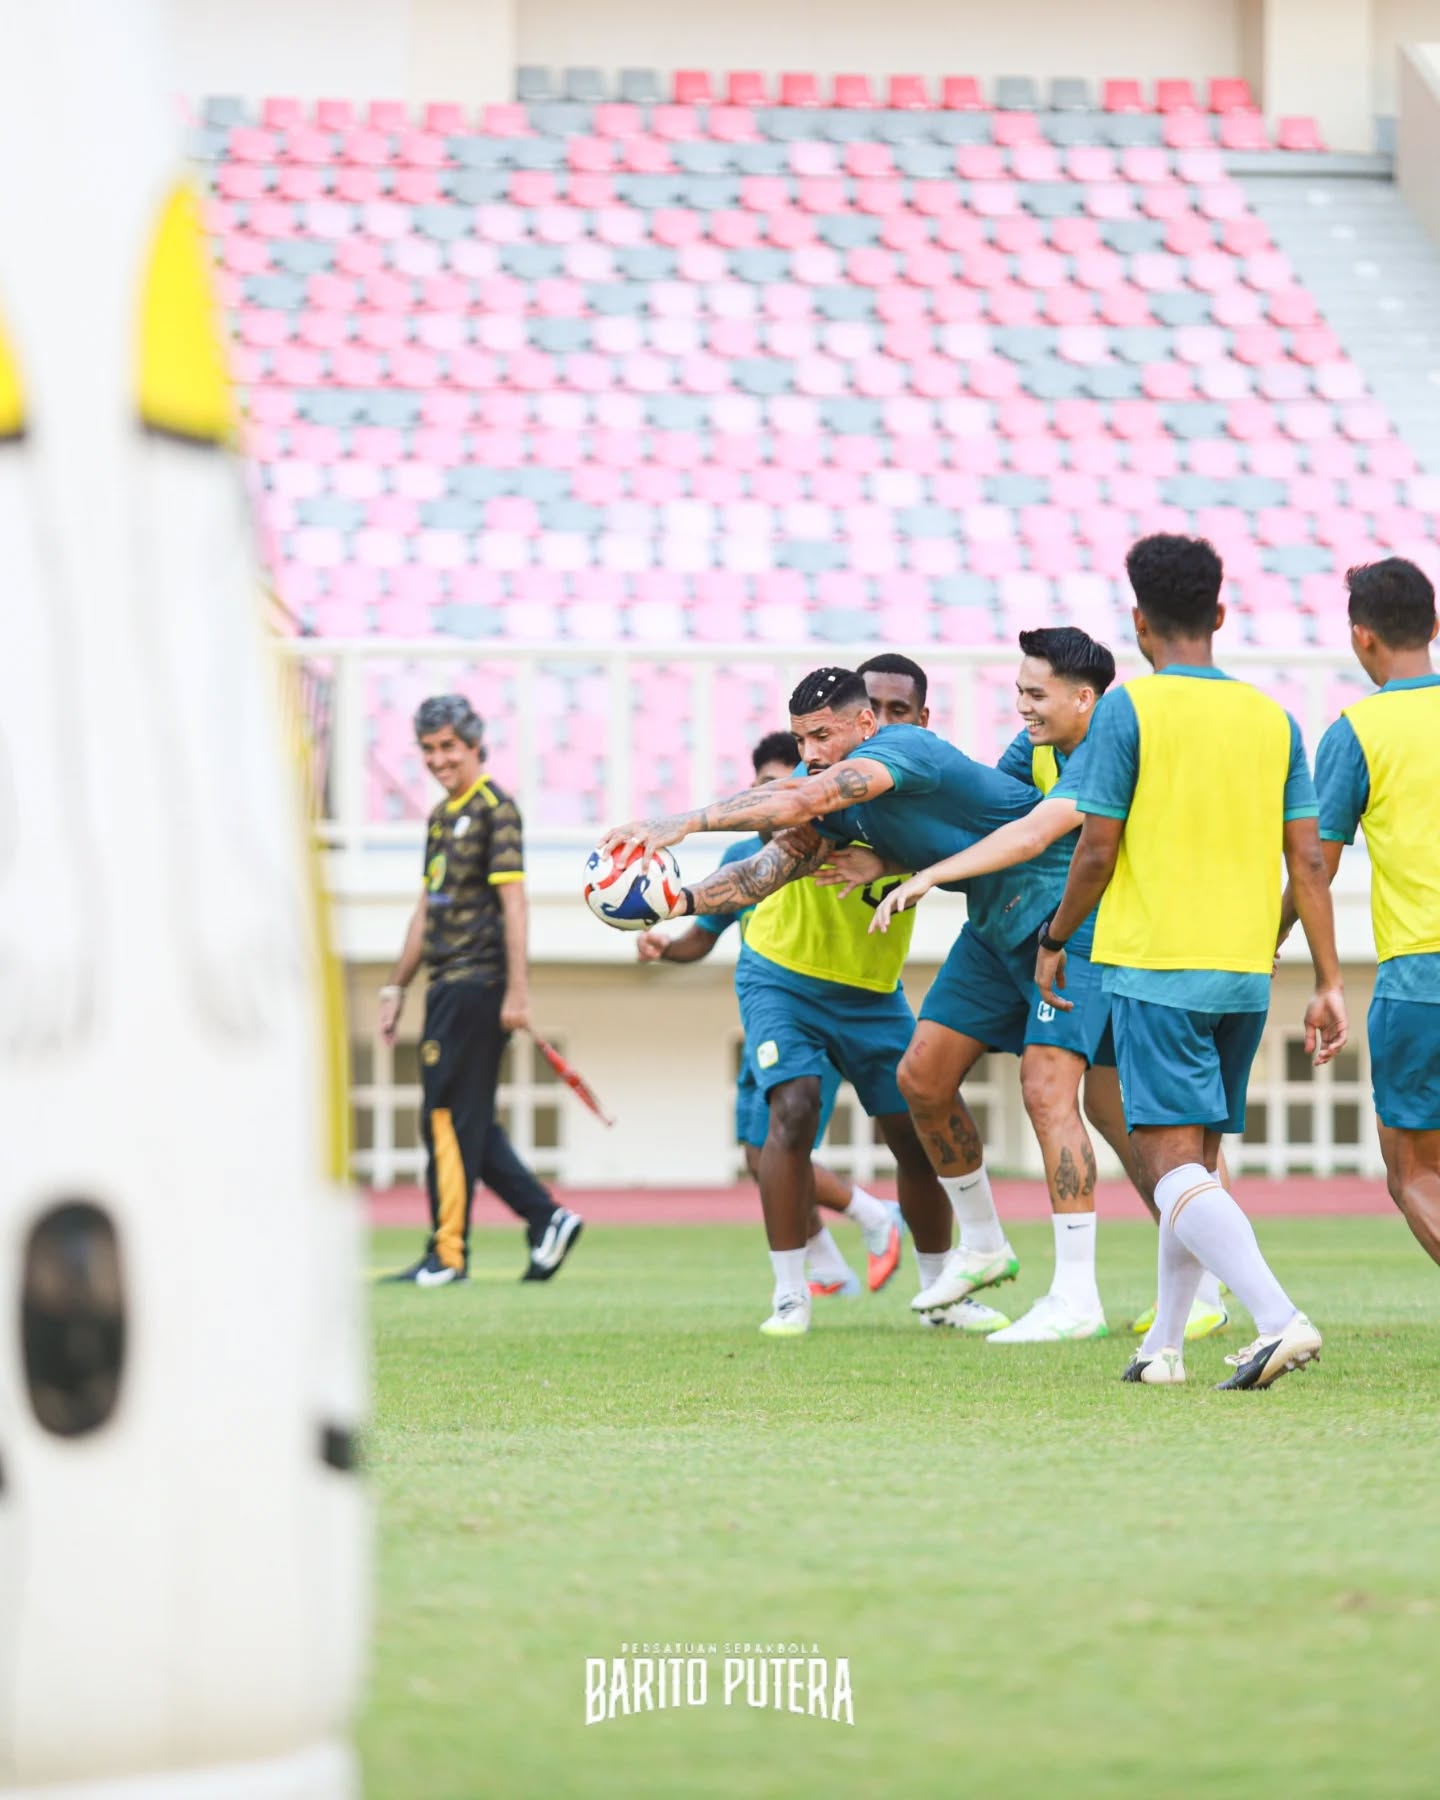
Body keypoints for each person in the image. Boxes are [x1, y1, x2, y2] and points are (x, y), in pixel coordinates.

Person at [602, 659, 1075, 1333]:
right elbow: (762, 871)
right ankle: (797, 1290)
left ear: (869, 724)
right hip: (787, 979)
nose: (812, 755)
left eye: (822, 736)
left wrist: (680, 822)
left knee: (956, 1123)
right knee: (793, 1111)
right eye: (802, 742)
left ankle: (973, 1288)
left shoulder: (899, 751)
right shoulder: (825, 796)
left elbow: (805, 803)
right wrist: (670, 901)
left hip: (1008, 932)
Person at [1033, 534, 1345, 1390]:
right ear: (1218, 613)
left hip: (1156, 970)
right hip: (1244, 974)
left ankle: (1280, 1320)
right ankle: (1163, 1347)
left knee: (1170, 1171)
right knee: (1194, 1169)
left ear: (1138, 622)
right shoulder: (1272, 717)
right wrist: (1326, 978)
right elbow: (1309, 861)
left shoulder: (1130, 710)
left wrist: (1055, 939)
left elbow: (1096, 849)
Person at [866, 627, 1230, 1345]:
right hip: (1001, 933)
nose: (1023, 707)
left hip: (1083, 937)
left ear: (1084, 698)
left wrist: (928, 875)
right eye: (1019, 692)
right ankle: (984, 1246)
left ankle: (1082, 1297)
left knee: (1062, 1094)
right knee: (924, 1077)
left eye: (1036, 694)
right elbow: (983, 820)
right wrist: (886, 858)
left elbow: (1032, 835)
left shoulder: (1111, 748)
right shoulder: (1030, 746)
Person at [635, 730, 903, 1298]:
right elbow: (704, 936)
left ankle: (873, 1215)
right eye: (765, 787)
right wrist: (666, 945)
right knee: (760, 1155)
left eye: (790, 786)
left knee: (781, 1143)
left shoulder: (826, 845)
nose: (776, 799)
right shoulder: (739, 857)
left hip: (811, 1011)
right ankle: (831, 1261)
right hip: (762, 1015)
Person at [379, 695, 583, 1286]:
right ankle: (546, 1218)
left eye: (448, 747)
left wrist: (518, 991)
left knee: (443, 1117)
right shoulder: (441, 816)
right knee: (467, 1120)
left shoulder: (497, 809)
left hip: (478, 982)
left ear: (473, 746)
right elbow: (428, 906)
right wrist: (395, 986)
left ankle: (447, 1254)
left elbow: (514, 903)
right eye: (429, 749)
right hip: (444, 984)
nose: (439, 759)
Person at [1280, 558, 1440, 1270]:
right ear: (1435, 627)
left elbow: (1317, 863)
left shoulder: (1357, 731)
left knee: (1416, 1174)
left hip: (1421, 979)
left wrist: (1272, 938)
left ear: (1361, 637)